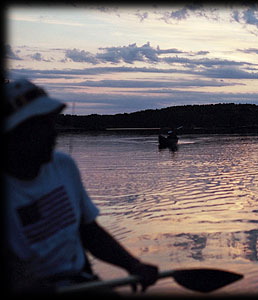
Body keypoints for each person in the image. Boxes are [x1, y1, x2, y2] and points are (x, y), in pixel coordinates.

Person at [2, 79, 158, 294]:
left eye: (51, 123)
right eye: (40, 126)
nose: (52, 133)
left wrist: (133, 264)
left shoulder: (64, 166)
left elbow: (88, 230)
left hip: (81, 281)